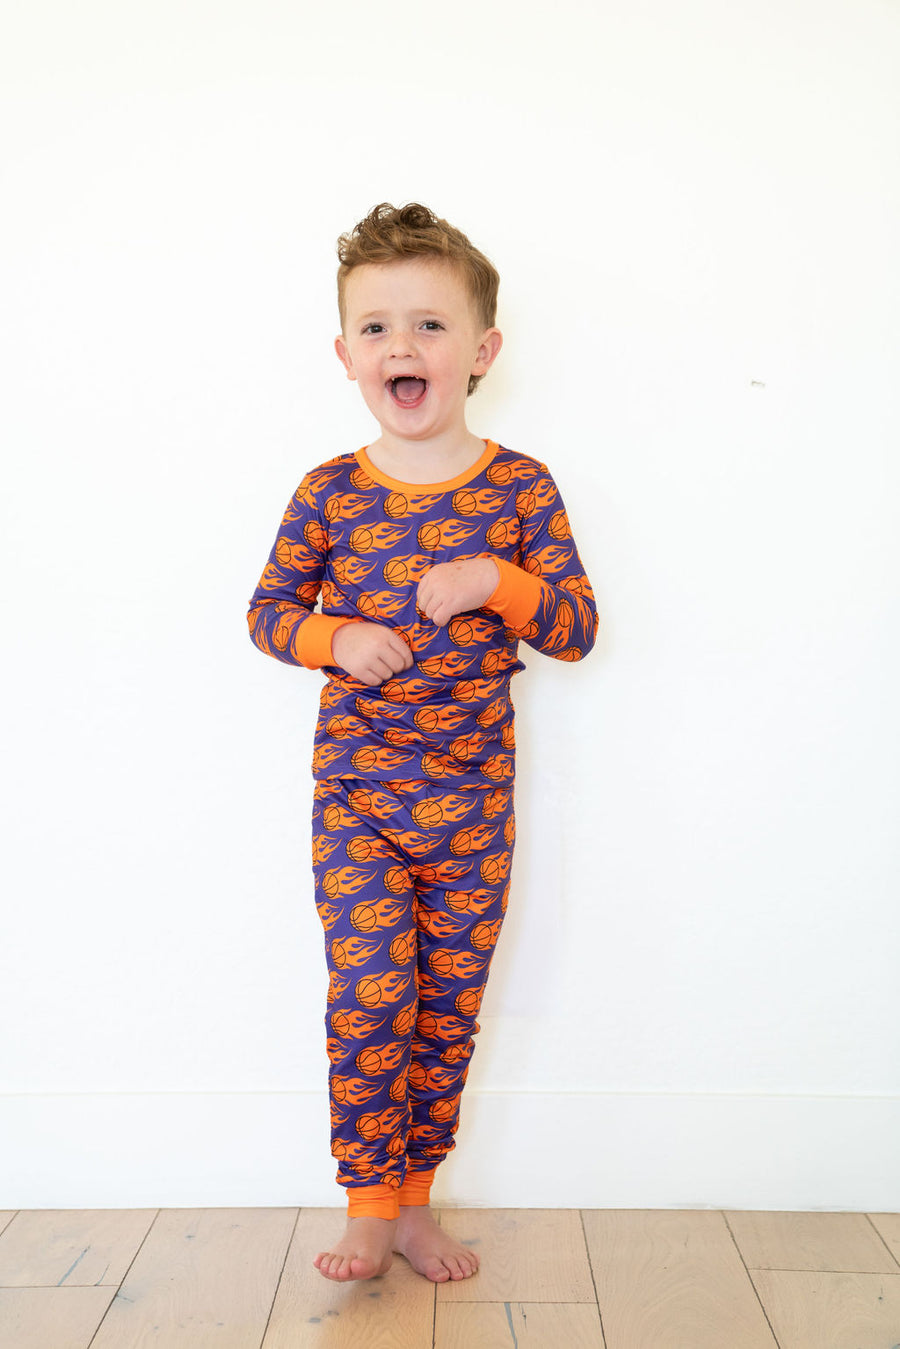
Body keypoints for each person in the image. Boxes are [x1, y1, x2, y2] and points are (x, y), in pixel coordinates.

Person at [246, 202, 598, 1284]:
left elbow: (577, 628)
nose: (402, 344)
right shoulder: (328, 491)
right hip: (357, 797)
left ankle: (413, 1203)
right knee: (369, 999)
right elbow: (267, 613)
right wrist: (334, 636)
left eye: (430, 325)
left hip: (473, 807)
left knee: (446, 1008)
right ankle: (364, 1202)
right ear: (346, 353)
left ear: (482, 351)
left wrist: (498, 580)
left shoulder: (520, 487)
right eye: (378, 326)